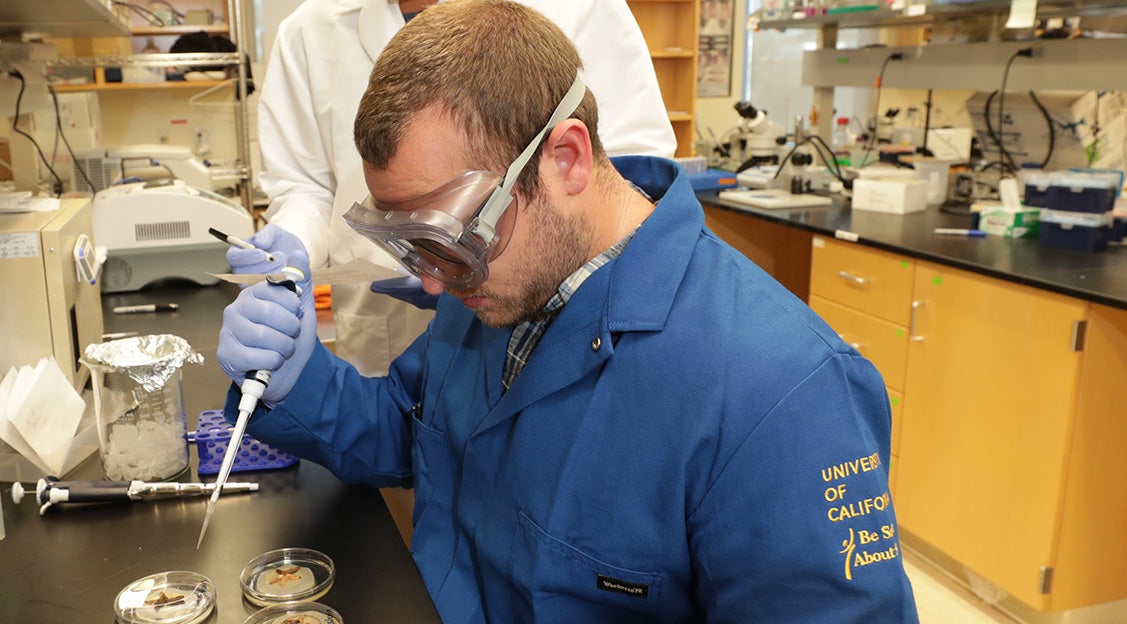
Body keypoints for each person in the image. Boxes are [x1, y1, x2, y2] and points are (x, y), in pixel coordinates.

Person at [216, 0, 920, 621]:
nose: (432, 283)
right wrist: (296, 380)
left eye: (450, 237)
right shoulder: (498, 279)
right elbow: (415, 432)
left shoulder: (786, 399)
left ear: (568, 159)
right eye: (410, 245)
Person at [243, 0, 675, 377]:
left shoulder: (582, 7)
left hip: (552, 322)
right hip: (383, 329)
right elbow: (306, 184)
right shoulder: (309, 28)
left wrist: (483, 246)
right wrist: (292, 244)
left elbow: (619, 172)